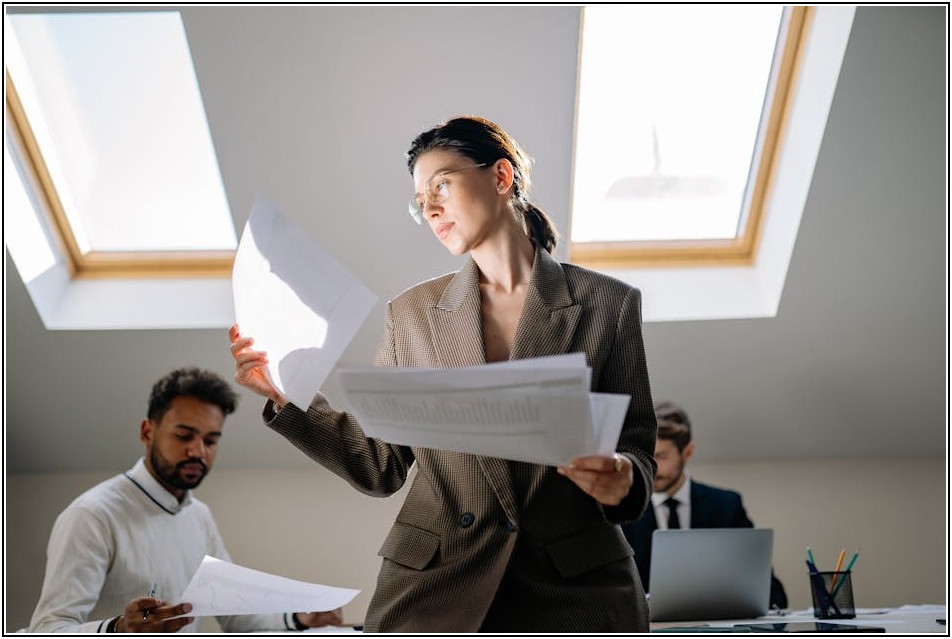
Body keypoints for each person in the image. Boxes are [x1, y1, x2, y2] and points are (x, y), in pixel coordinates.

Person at [229, 115, 658, 632]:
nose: (429, 209)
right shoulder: (411, 313)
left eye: (441, 186)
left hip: (571, 585)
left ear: (501, 177)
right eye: (420, 201)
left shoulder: (608, 303)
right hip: (438, 582)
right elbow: (380, 464)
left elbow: (636, 447)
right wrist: (285, 397)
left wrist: (621, 476)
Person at [28, 367, 343, 633]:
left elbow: (236, 616)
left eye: (210, 440)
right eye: (184, 436)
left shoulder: (199, 516)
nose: (198, 451)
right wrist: (117, 628)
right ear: (147, 432)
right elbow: (48, 629)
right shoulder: (92, 516)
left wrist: (299, 619)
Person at [622, 400, 789, 610]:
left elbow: (768, 590)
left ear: (687, 452)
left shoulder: (726, 506)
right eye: (645, 457)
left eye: (661, 456)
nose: (650, 467)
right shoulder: (622, 510)